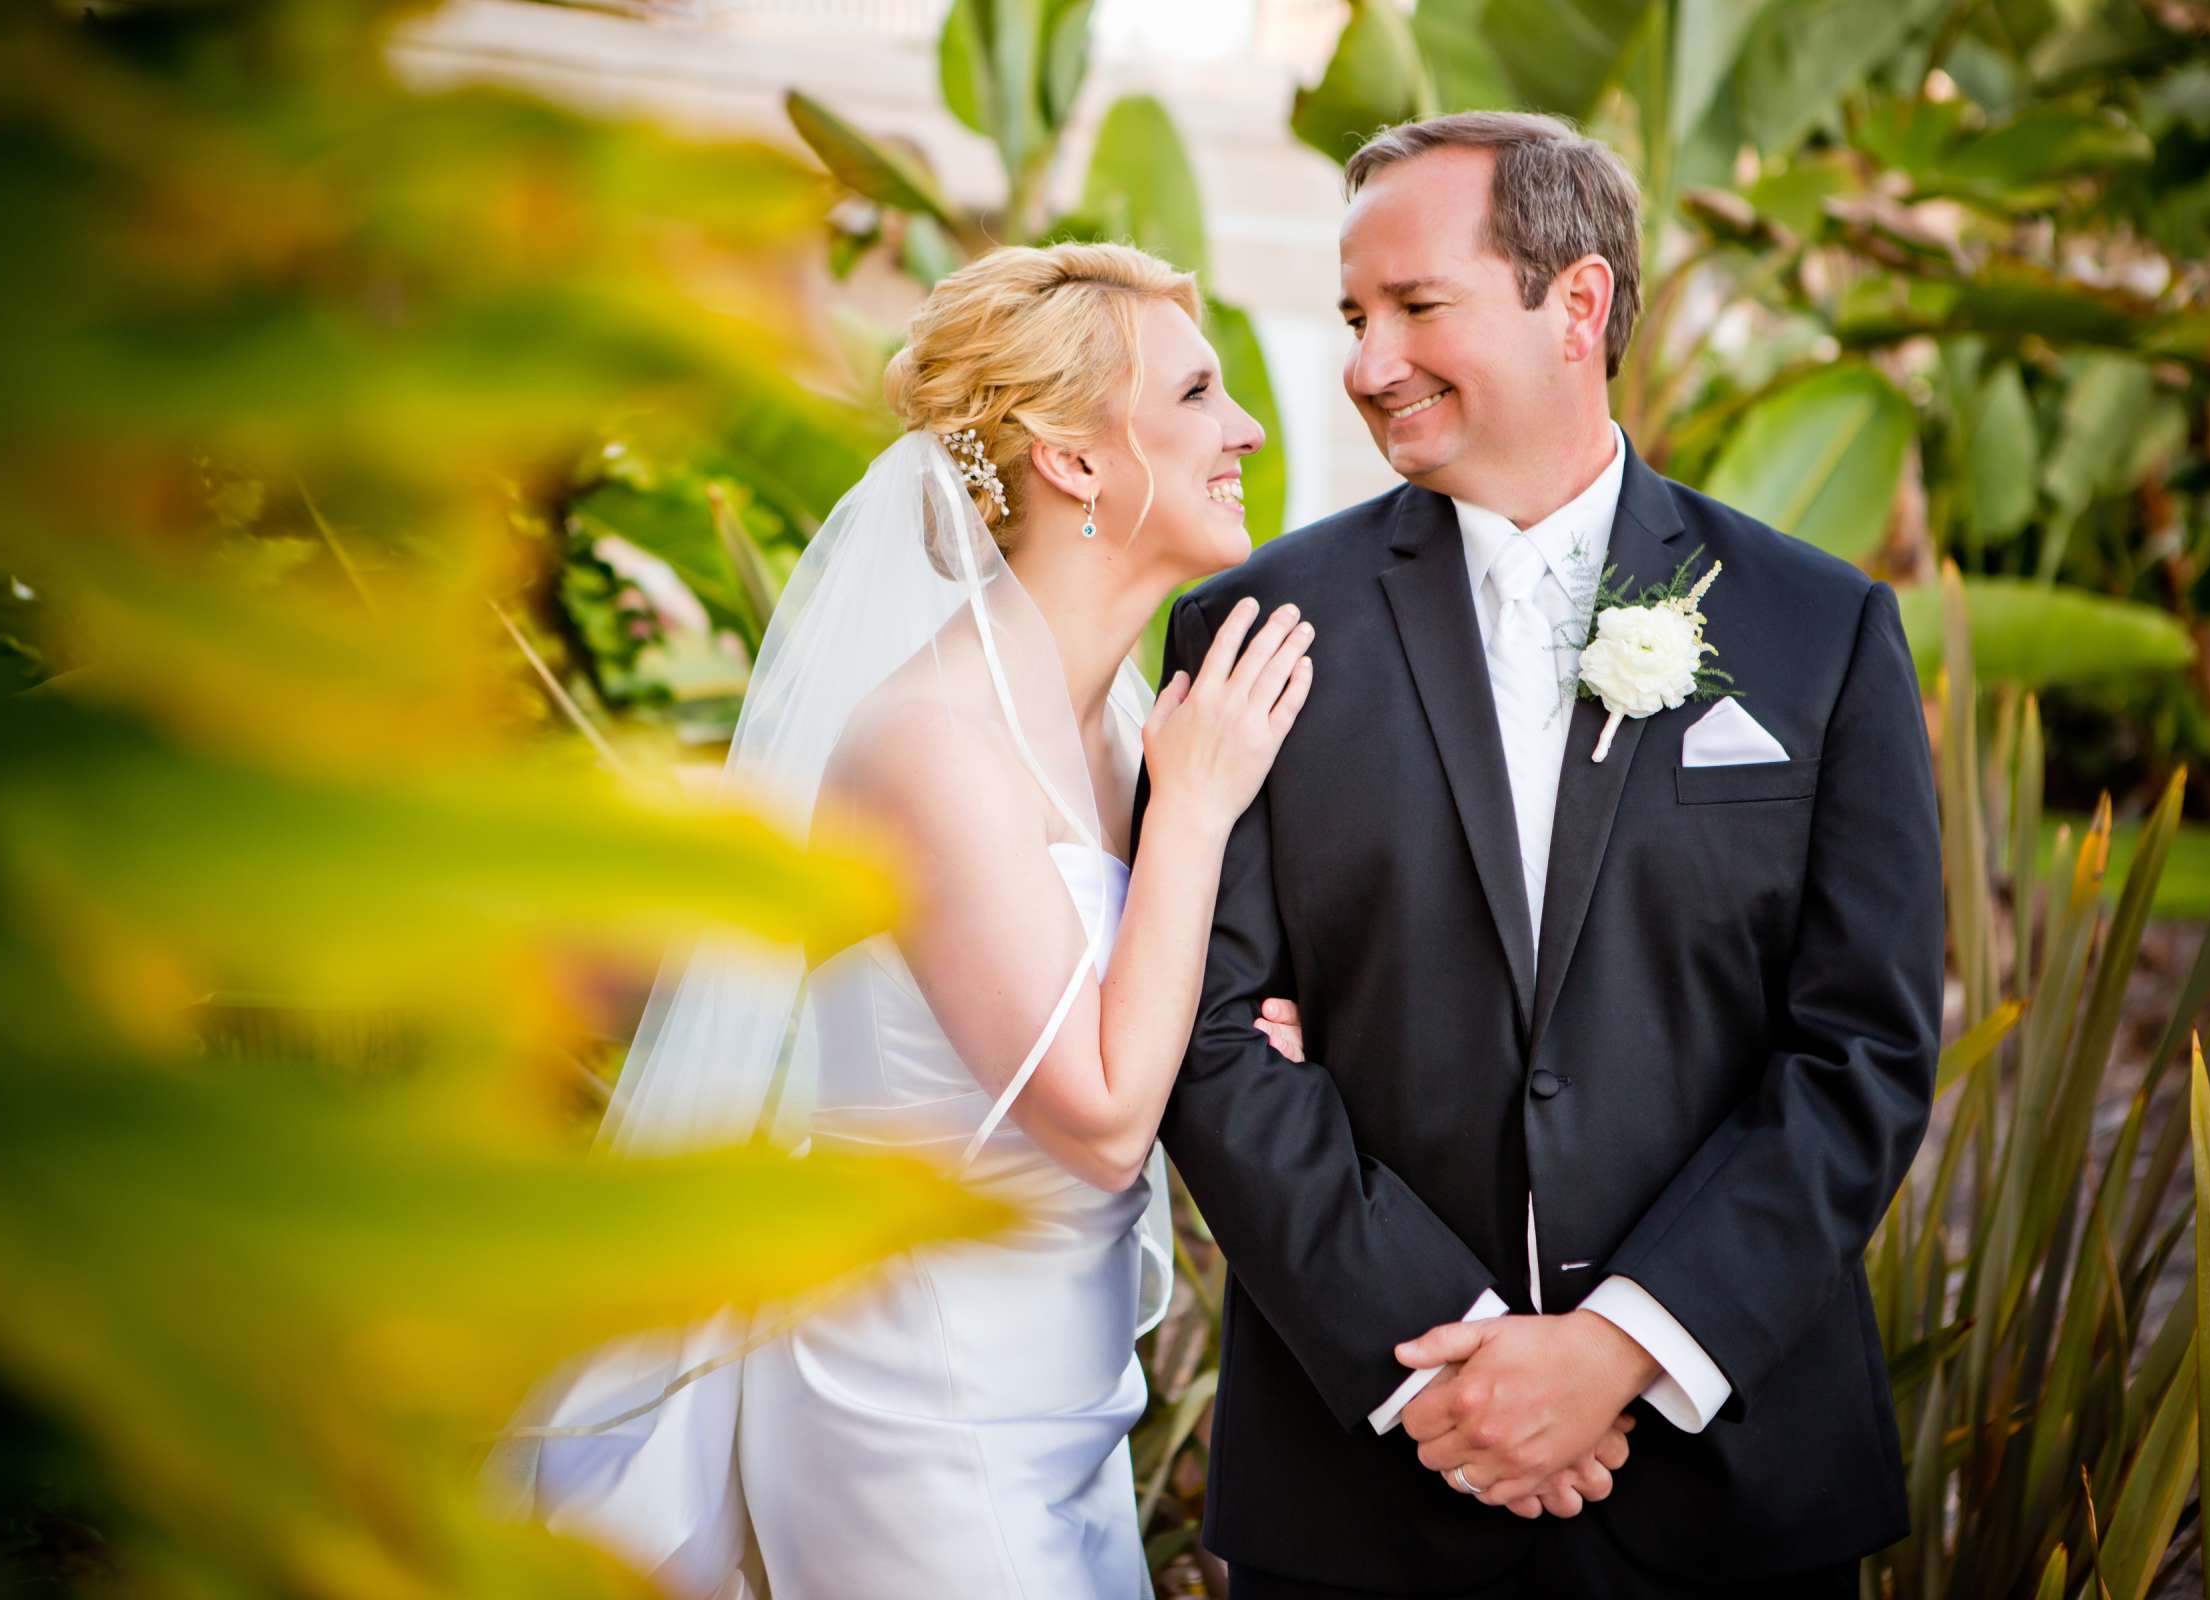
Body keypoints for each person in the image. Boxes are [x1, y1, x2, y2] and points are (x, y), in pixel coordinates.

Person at [485, 240, 1636, 1600]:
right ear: (1072, 461)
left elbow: (1170, 1025)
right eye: (1200, 393)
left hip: (1063, 1394)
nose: (1250, 425)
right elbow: (1096, 1118)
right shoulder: (931, 740)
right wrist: (1196, 817)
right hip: (914, 1397)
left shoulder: (1128, 722)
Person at [1151, 111, 1945, 1599]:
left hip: (1728, 1483)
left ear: (1576, 304)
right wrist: (1442, 1363)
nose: (1366, 363)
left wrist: (1622, 1345)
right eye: (1354, 316)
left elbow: (1863, 1048)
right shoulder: (1254, 631)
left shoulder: (1818, 632)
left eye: (1416, 307)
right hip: (1371, 1481)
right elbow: (1204, 1037)